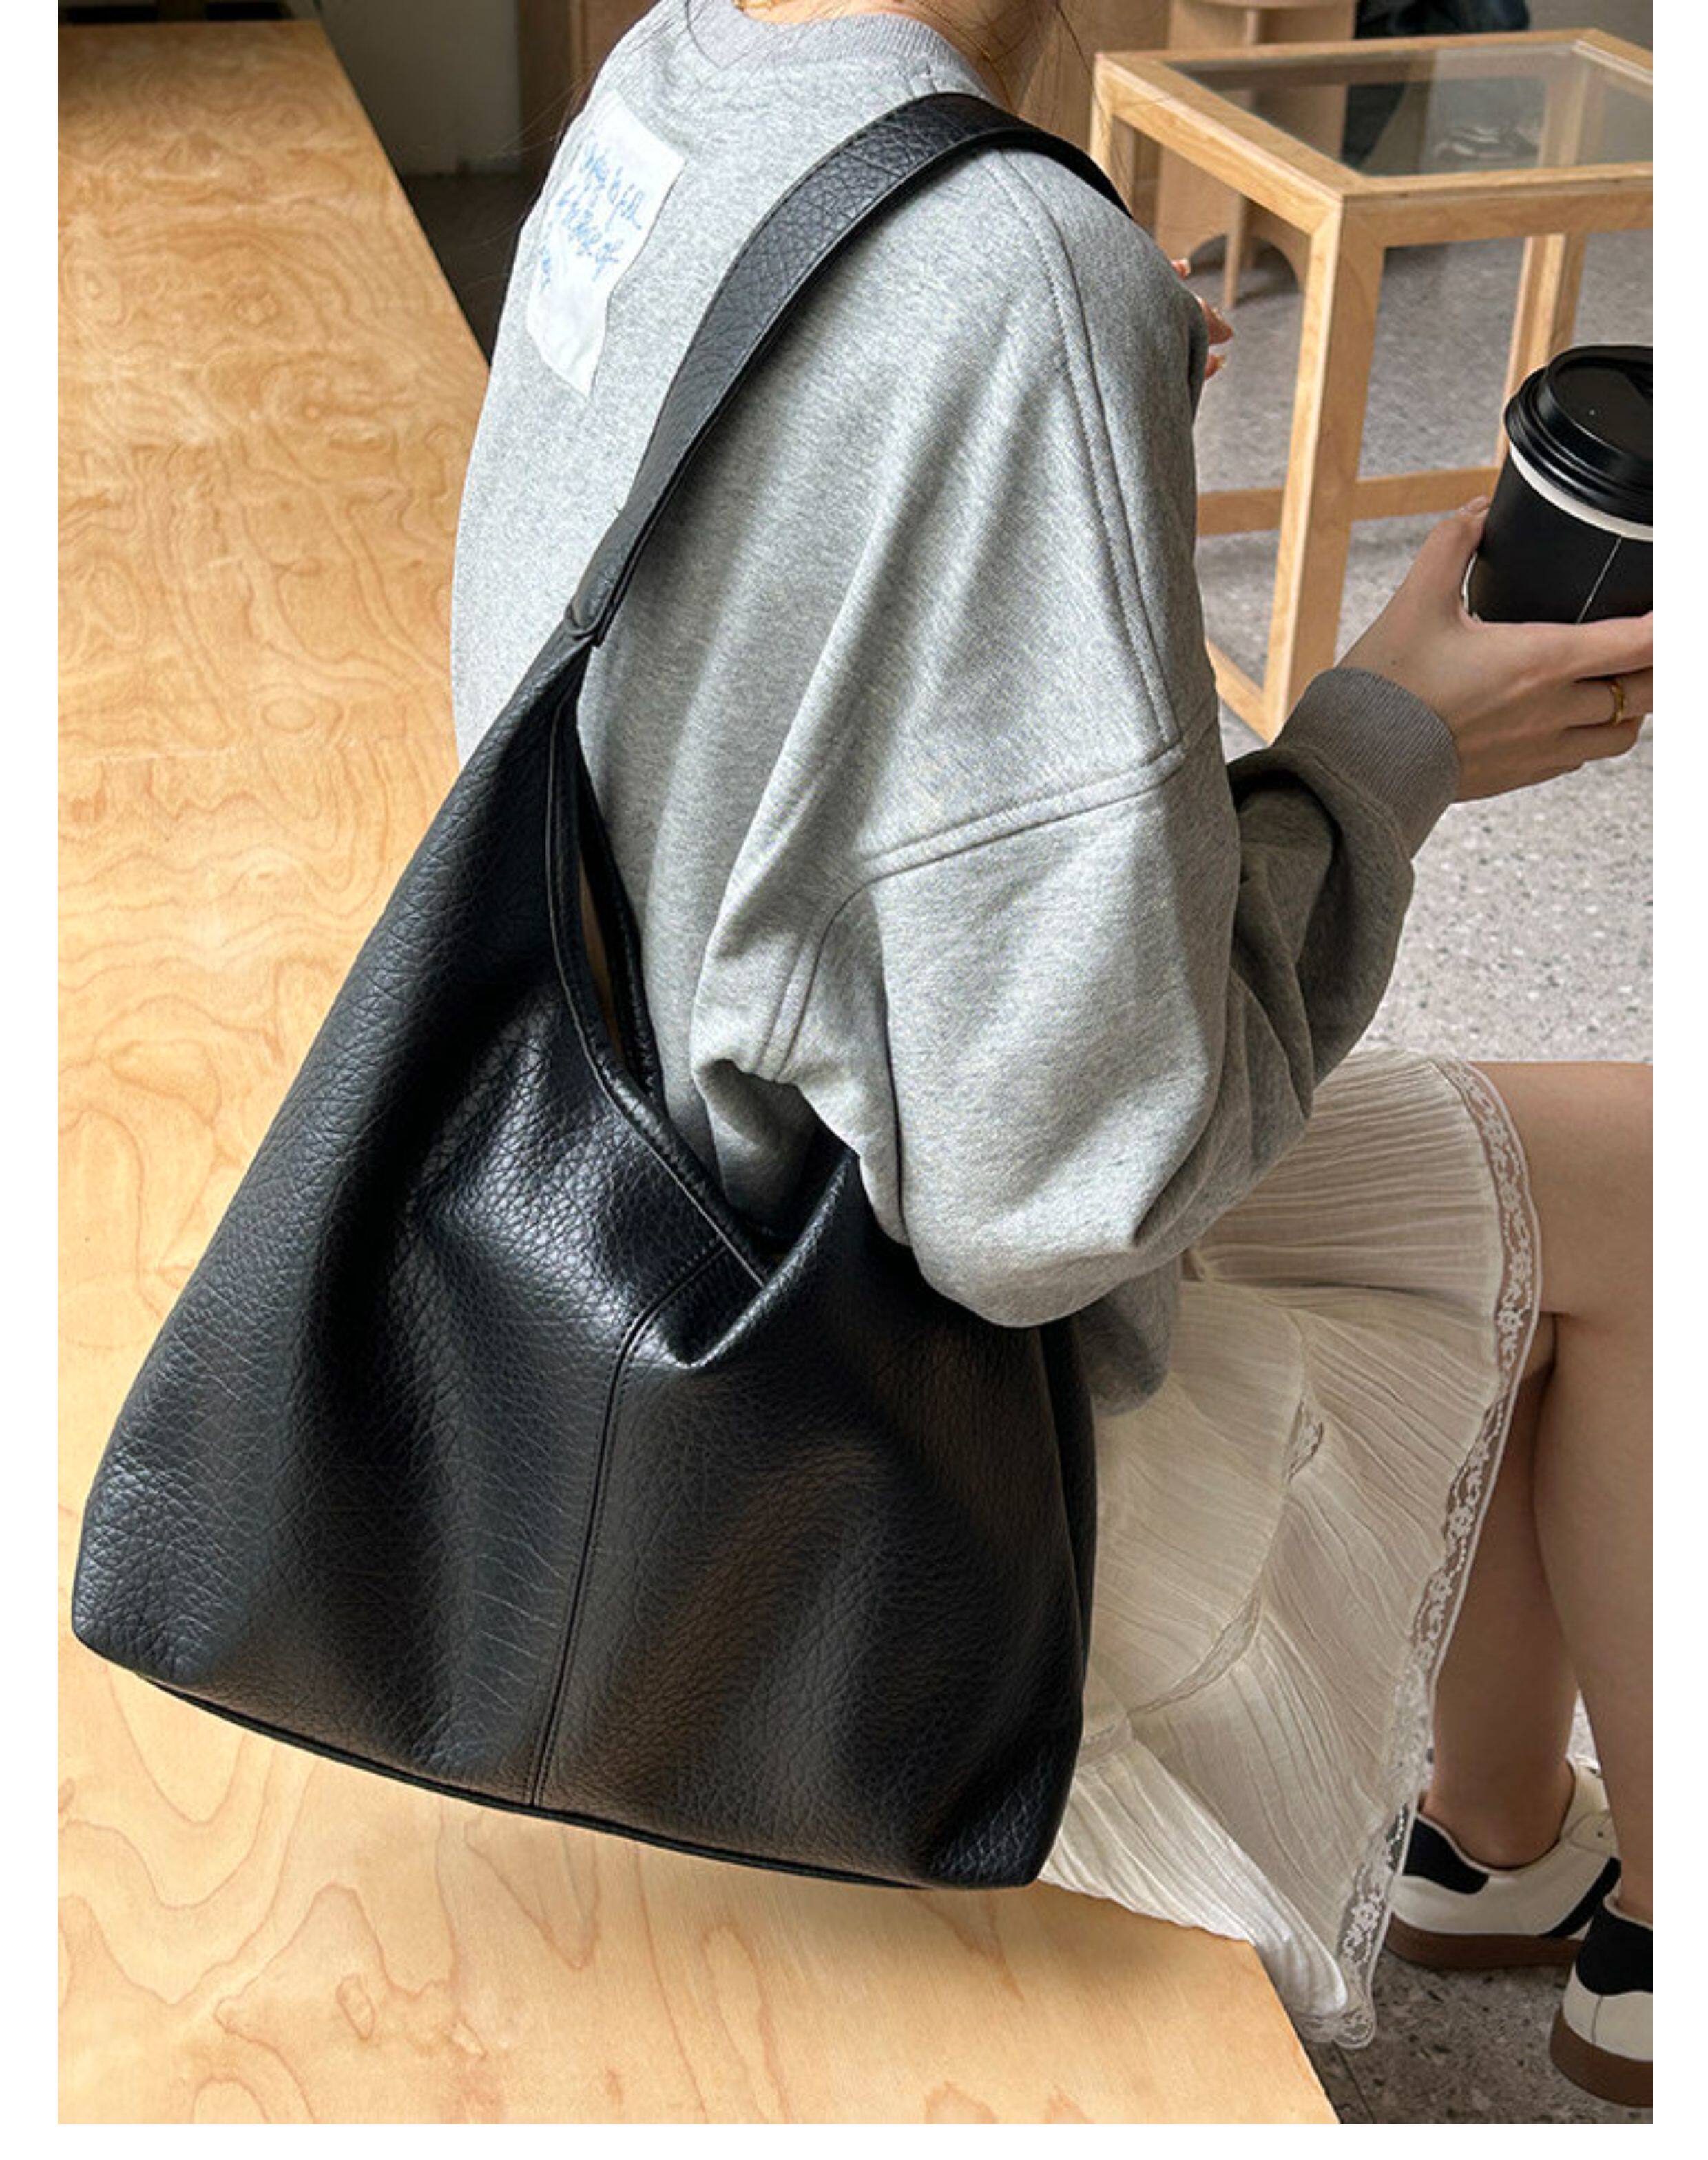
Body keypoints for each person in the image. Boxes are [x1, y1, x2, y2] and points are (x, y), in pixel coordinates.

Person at [449, 0, 1652, 2110]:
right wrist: (1391, 745)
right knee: (1659, 1193)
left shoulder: (676, 80)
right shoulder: (1018, 272)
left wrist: (1042, 438)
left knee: (1562, 1213)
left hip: (600, 1266)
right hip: (875, 1463)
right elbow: (1075, 1191)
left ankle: (1497, 1836)